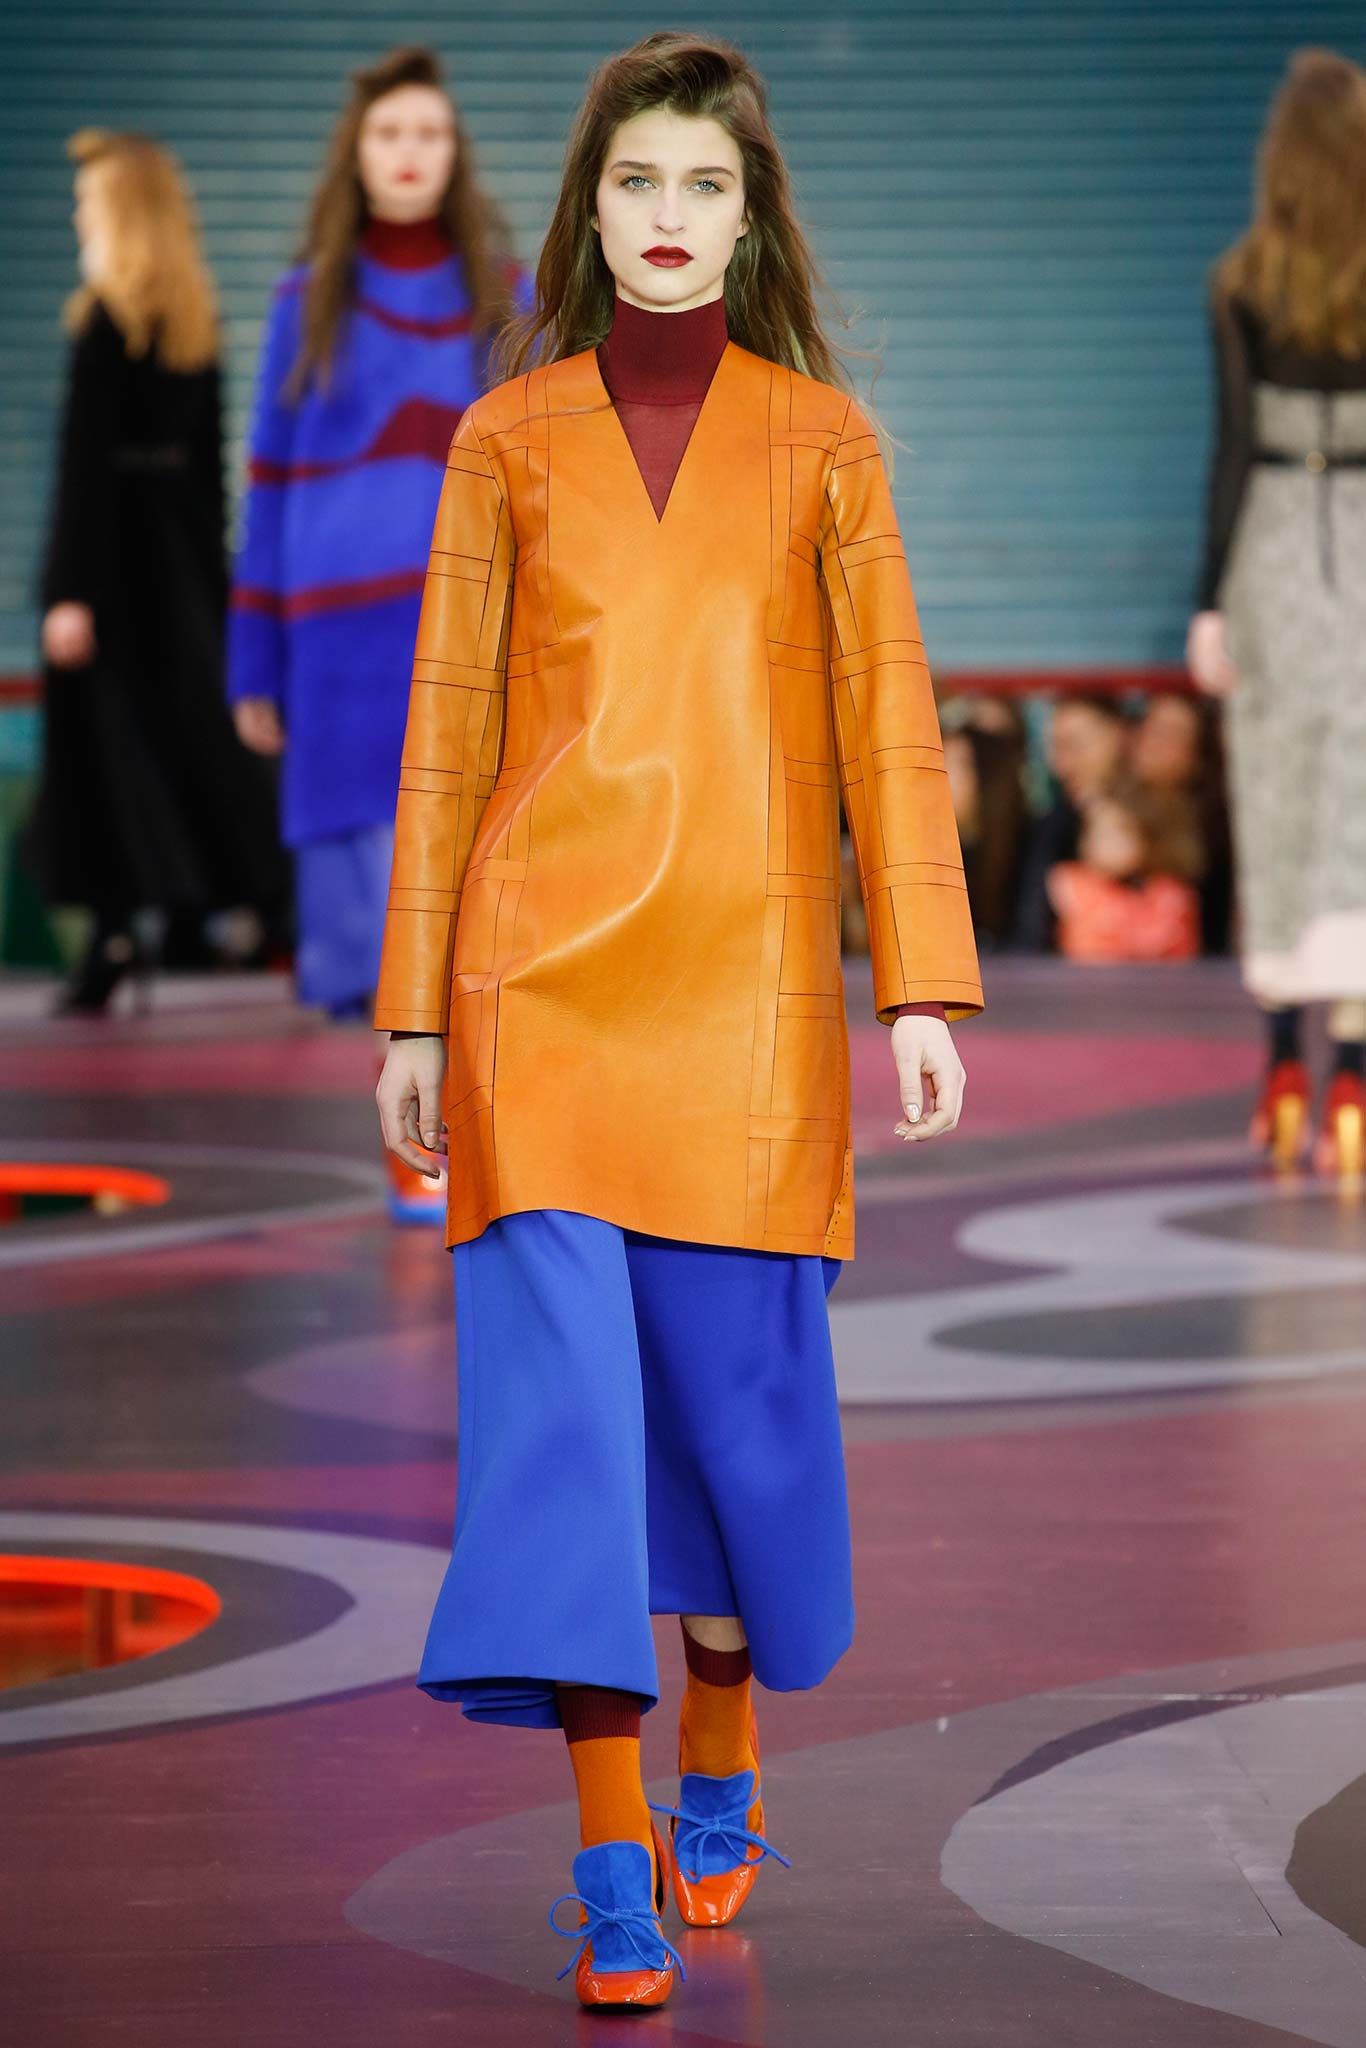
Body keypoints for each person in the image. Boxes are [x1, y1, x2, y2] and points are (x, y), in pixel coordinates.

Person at [373, 31, 981, 2013]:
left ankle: (722, 1722)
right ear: (589, 211)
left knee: (735, 1434)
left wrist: (918, 979)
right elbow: (447, 739)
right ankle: (606, 1856)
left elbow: (889, 728)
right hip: (534, 989)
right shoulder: (503, 441)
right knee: (561, 1443)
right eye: (634, 179)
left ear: (747, 221)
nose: (664, 213)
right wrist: (410, 1015)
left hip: (741, 997)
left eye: (702, 184)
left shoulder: (823, 446)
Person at [228, 46, 525, 1220]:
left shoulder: (505, 293)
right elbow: (268, 480)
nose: (409, 153)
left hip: (472, 630)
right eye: (389, 133)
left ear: (455, 153)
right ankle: (418, 1148)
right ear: (356, 155)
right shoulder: (306, 301)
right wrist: (252, 656)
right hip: (338, 648)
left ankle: (486, 1140)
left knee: (480, 889)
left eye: (429, 134)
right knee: (365, 903)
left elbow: (549, 470)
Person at [32, 130, 284, 1014]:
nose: (79, 216)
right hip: (177, 574)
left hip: (111, 575)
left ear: (118, 214)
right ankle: (219, 913)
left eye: (88, 202)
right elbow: (209, 475)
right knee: (187, 747)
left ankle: (114, 931)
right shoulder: (195, 328)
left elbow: (83, 470)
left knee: (104, 757)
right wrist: (215, 589)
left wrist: (69, 591)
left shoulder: (103, 322)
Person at [1187, 49, 1366, 1175]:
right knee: (1358, 800)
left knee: (1275, 790)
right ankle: (1354, 1072)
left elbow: (1232, 452)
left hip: (1270, 549)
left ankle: (1280, 1067)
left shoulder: (1240, 283)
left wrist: (1208, 605)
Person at [1011, 693, 1129, 952]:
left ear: (1118, 736)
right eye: (1056, 748)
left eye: (1075, 746)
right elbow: (1029, 932)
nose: (1061, 765)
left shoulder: (1161, 817)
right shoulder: (1049, 829)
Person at [1047, 787, 1201, 964]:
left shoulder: (1170, 897)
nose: (1111, 844)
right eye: (1102, 834)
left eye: (1121, 832)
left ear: (1144, 838)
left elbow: (1180, 952)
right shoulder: (1074, 888)